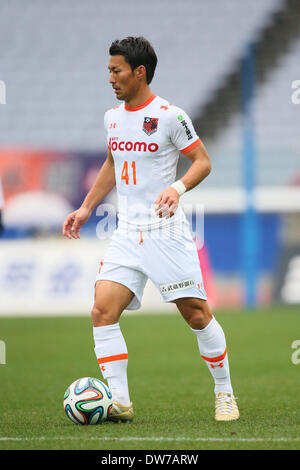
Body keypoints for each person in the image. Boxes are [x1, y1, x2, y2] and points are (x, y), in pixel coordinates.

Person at [62, 36, 239, 422]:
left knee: (196, 315)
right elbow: (112, 162)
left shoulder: (170, 116)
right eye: (109, 70)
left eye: (117, 70)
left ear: (139, 72)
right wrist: (86, 207)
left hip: (166, 233)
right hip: (126, 233)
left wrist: (176, 189)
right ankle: (120, 403)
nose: (110, 77)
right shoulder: (112, 117)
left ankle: (224, 393)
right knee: (102, 311)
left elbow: (202, 162)